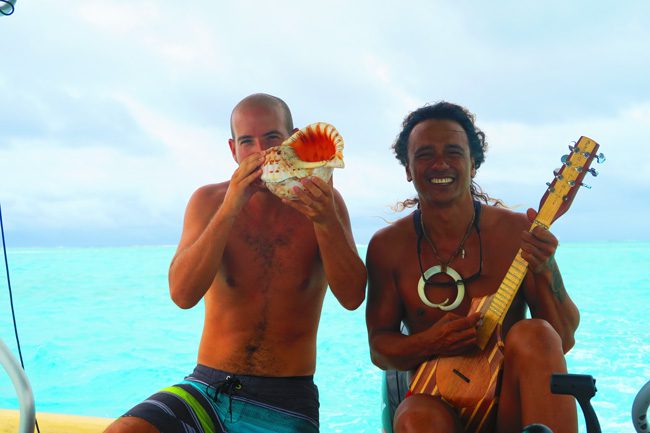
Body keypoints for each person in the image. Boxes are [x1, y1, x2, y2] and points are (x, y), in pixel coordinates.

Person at [105, 93, 367, 433]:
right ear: (233, 150)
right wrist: (230, 206)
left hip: (286, 399)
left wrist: (325, 219)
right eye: (247, 142)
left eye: (272, 138)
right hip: (207, 389)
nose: (260, 152)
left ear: (295, 140)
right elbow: (182, 295)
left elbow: (352, 297)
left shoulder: (324, 202)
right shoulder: (208, 201)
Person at [365, 102, 580, 433]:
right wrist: (432, 342)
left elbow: (561, 340)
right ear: (407, 168)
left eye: (453, 152)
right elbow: (380, 348)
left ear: (474, 164)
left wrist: (547, 268)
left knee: (533, 332)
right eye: (424, 154)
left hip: (512, 403)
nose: (440, 163)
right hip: (436, 400)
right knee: (415, 418)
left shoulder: (516, 233)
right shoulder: (388, 246)